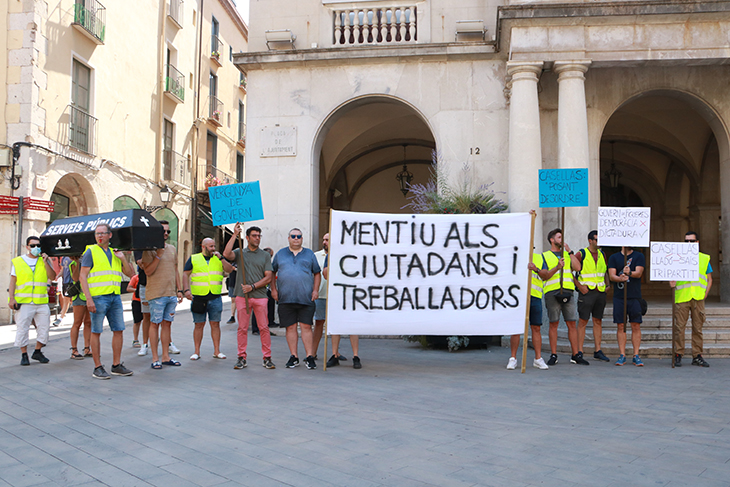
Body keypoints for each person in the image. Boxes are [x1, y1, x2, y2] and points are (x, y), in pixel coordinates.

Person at [79, 223, 135, 379]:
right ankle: (97, 367)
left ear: (110, 235)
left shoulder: (115, 252)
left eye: (103, 233)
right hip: (98, 297)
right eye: (97, 234)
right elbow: (82, 276)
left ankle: (116, 365)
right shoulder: (91, 251)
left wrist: (123, 258)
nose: (99, 236)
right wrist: (88, 299)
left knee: (118, 330)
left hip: (115, 296)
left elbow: (130, 274)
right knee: (96, 331)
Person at [223, 224, 275, 370]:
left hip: (259, 296)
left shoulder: (265, 255)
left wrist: (252, 287)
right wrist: (234, 234)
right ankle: (241, 357)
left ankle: (267, 357)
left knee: (264, 327)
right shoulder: (240, 252)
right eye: (254, 236)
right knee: (242, 328)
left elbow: (268, 277)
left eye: (259, 236)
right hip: (242, 296)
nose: (257, 238)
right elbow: (226, 254)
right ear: (247, 237)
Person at [271, 228, 321, 370]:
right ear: (288, 238)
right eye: (293, 236)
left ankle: (310, 356)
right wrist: (274, 290)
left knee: (306, 326)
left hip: (306, 298)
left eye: (299, 236)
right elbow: (272, 271)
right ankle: (294, 356)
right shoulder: (280, 254)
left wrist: (315, 290)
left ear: (302, 238)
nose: (296, 238)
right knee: (290, 327)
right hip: (285, 298)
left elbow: (317, 273)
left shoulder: (309, 254)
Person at [140, 220, 183, 369]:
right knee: (154, 324)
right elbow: (148, 272)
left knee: (167, 324)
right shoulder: (149, 250)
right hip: (156, 294)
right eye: (162, 231)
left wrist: (179, 289)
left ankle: (166, 356)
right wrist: (158, 255)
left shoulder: (172, 248)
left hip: (171, 294)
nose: (165, 233)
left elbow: (175, 269)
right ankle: (155, 358)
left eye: (167, 231)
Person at [183, 237, 234, 361]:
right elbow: (185, 273)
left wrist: (221, 258)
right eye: (210, 246)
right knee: (198, 325)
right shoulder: (194, 258)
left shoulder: (218, 259)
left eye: (214, 246)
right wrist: (186, 290)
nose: (213, 249)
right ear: (203, 247)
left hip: (215, 297)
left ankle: (217, 351)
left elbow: (229, 269)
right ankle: (196, 352)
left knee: (215, 324)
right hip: (199, 297)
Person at [9, 236, 57, 366]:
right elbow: (13, 281)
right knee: (22, 328)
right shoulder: (19, 261)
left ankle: (37, 351)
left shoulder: (44, 260)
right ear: (27, 247)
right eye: (33, 246)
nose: (36, 248)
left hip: (41, 301)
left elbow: (52, 276)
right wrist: (11, 298)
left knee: (44, 328)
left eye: (38, 245)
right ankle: (24, 354)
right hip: (24, 302)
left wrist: (46, 261)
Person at [540, 228, 583, 365]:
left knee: (571, 323)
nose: (561, 239)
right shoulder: (545, 255)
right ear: (552, 240)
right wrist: (558, 267)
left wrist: (570, 252)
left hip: (568, 292)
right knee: (554, 324)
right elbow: (545, 275)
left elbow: (578, 268)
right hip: (552, 292)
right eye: (559, 237)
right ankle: (553, 354)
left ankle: (575, 354)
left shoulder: (567, 254)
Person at [670, 231, 712, 367]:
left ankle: (697, 355)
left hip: (698, 298)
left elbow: (709, 278)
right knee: (679, 328)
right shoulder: (677, 258)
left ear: (697, 242)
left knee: (697, 328)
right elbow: (672, 277)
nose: (689, 244)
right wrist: (671, 283)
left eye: (692, 241)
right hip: (682, 297)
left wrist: (705, 293)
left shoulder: (704, 258)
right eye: (686, 241)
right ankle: (678, 354)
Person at [574, 230, 610, 362]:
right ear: (590, 241)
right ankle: (579, 351)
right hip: (587, 292)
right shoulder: (581, 253)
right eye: (596, 239)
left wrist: (608, 285)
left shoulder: (602, 254)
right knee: (583, 321)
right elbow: (569, 270)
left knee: (598, 320)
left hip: (600, 291)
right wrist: (579, 286)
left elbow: (604, 270)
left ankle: (598, 350)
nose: (599, 241)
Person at [323, 253, 362, 369]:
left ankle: (355, 356)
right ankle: (334, 354)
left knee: (353, 326)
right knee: (335, 325)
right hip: (337, 294)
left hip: (352, 294)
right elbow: (325, 275)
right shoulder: (331, 254)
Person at [608, 246, 646, 366]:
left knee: (636, 325)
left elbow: (639, 273)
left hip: (634, 295)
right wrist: (619, 278)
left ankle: (636, 355)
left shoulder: (639, 256)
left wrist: (629, 273)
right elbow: (611, 275)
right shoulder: (614, 257)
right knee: (620, 325)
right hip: (619, 296)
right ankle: (622, 354)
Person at [313, 233, 336, 360]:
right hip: (321, 295)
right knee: (318, 324)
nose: (325, 242)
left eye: (327, 239)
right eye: (324, 239)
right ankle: (313, 352)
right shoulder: (316, 256)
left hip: (335, 297)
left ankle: (335, 353)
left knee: (335, 326)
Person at [68, 255, 91, 359]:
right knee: (77, 323)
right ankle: (74, 350)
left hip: (90, 295)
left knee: (88, 322)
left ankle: (87, 348)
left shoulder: (90, 260)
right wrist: (77, 263)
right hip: (79, 296)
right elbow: (75, 278)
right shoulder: (73, 263)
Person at [126, 273, 143, 349]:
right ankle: (135, 339)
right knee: (137, 321)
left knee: (149, 320)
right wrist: (137, 290)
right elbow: (128, 288)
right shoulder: (135, 278)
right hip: (137, 301)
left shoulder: (150, 277)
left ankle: (151, 337)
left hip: (147, 301)